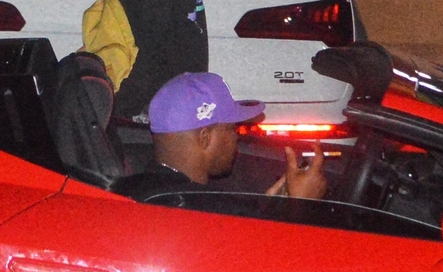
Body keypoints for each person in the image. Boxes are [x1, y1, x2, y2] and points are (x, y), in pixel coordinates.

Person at [115, 72, 328, 202]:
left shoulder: (135, 190)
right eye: (232, 129)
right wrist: (300, 206)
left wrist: (277, 205)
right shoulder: (195, 209)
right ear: (205, 137)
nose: (236, 138)